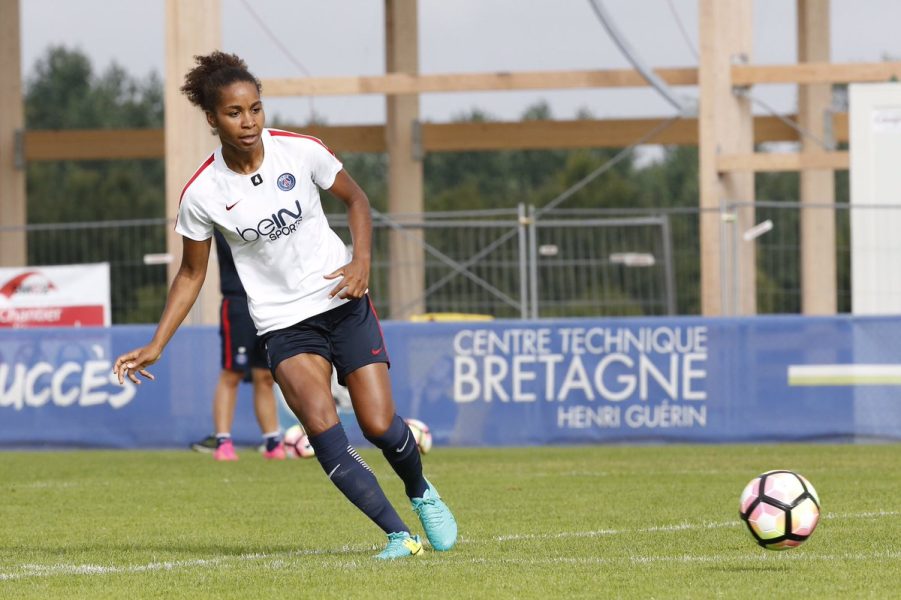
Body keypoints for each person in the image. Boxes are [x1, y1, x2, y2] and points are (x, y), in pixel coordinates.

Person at [113, 51, 456, 560]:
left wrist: (361, 261)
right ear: (212, 118)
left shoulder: (300, 151)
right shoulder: (202, 193)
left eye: (255, 108)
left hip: (342, 301)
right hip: (282, 324)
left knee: (379, 424)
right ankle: (398, 536)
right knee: (321, 425)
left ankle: (421, 490)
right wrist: (157, 343)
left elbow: (357, 200)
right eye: (234, 112)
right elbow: (191, 273)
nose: (248, 121)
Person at [190, 229, 285, 461]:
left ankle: (273, 442)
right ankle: (223, 441)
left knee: (265, 375)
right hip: (238, 303)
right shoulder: (227, 216)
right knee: (233, 371)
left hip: (269, 302)